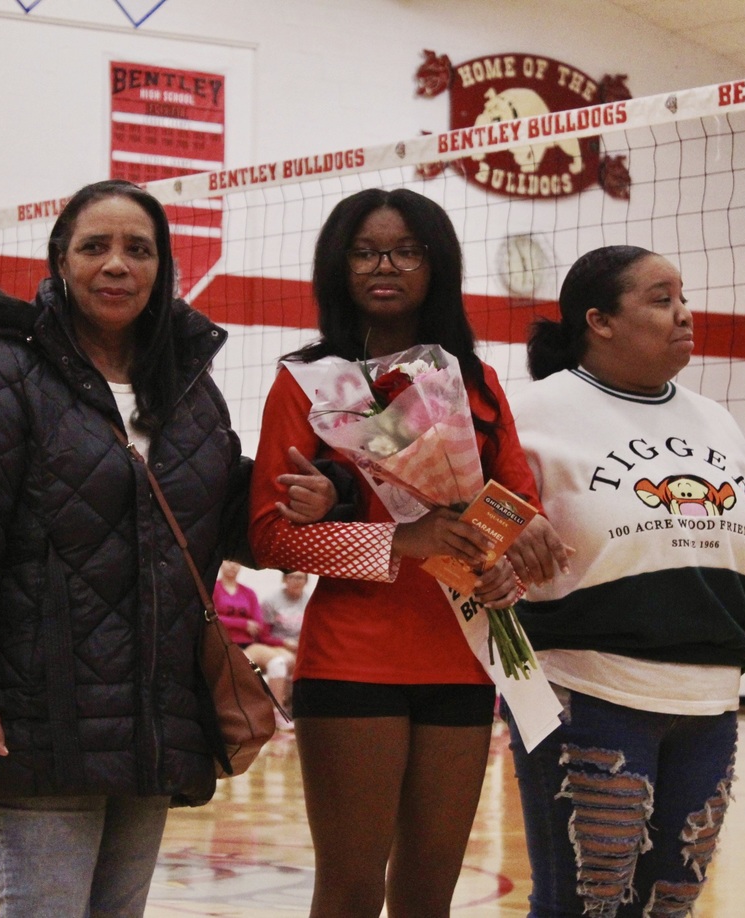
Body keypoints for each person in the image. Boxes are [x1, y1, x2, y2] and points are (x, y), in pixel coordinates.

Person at [0, 179, 336, 918]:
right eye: (95, 246)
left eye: (138, 249)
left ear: (162, 266)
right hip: (38, 711)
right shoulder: (9, 372)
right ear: (60, 261)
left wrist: (320, 492)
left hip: (152, 714)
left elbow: (219, 510)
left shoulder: (188, 389)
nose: (117, 264)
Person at [504, 245, 745, 918]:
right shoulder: (531, 414)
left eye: (683, 297)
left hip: (708, 704)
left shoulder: (718, 422)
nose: (685, 313)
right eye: (661, 299)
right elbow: (470, 523)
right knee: (586, 905)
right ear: (600, 321)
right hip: (585, 693)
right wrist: (508, 531)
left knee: (670, 903)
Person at [248, 187, 568, 918]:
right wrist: (403, 539)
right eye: (364, 251)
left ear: (437, 265)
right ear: (339, 265)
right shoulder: (305, 383)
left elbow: (515, 510)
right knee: (352, 889)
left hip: (462, 653)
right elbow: (271, 537)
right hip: (353, 658)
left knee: (430, 893)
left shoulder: (478, 383)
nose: (383, 265)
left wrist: (506, 560)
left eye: (405, 250)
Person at [212, 558, 295, 725]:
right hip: (224, 644)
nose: (233, 566)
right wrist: (242, 623)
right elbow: (213, 618)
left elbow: (258, 623)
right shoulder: (214, 589)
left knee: (279, 661)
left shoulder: (248, 593)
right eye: (228, 562)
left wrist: (242, 625)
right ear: (221, 564)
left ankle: (276, 713)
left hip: (248, 644)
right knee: (238, 666)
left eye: (236, 563)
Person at [260, 569, 309, 653]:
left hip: (302, 647)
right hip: (277, 647)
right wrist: (283, 643)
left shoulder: (310, 602)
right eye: (291, 577)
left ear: (306, 581)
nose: (295, 581)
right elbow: (263, 636)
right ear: (284, 579)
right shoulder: (270, 601)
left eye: (299, 578)